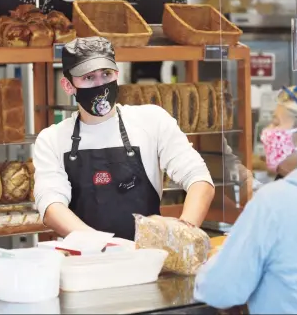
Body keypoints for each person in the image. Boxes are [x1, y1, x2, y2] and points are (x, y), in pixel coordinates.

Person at [33, 36, 215, 241]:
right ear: (68, 85)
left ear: (117, 75)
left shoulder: (152, 121)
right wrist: (105, 246)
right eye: (89, 78)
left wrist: (184, 233)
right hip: (84, 263)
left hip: (147, 259)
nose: (100, 84)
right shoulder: (52, 139)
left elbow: (200, 179)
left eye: (106, 74)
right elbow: (51, 206)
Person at [194, 80, 297, 314]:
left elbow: (219, 291)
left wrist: (215, 262)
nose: (266, 134)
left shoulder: (275, 202)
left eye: (276, 123)